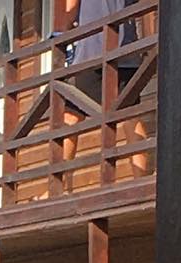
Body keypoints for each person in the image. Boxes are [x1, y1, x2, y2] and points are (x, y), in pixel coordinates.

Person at [59, 0, 152, 183]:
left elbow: (71, 7)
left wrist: (63, 35)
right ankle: (140, 180)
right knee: (130, 115)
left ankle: (57, 186)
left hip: (92, 50)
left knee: (71, 115)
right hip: (126, 49)